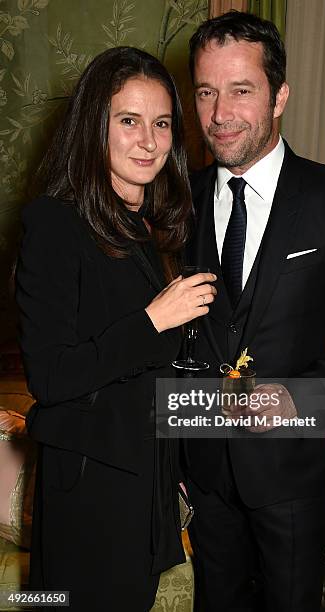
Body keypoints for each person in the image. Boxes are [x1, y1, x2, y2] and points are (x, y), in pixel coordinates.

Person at [182, 11, 325, 612]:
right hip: (203, 464)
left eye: (241, 89)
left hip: (289, 471)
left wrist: (301, 399)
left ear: (280, 95)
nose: (219, 113)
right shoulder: (183, 197)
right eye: (206, 91)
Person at [15, 46, 216, 612]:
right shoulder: (56, 222)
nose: (149, 142)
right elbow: (52, 376)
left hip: (145, 476)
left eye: (160, 124)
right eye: (128, 121)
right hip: (90, 487)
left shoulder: (153, 228)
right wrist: (154, 320)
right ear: (93, 127)